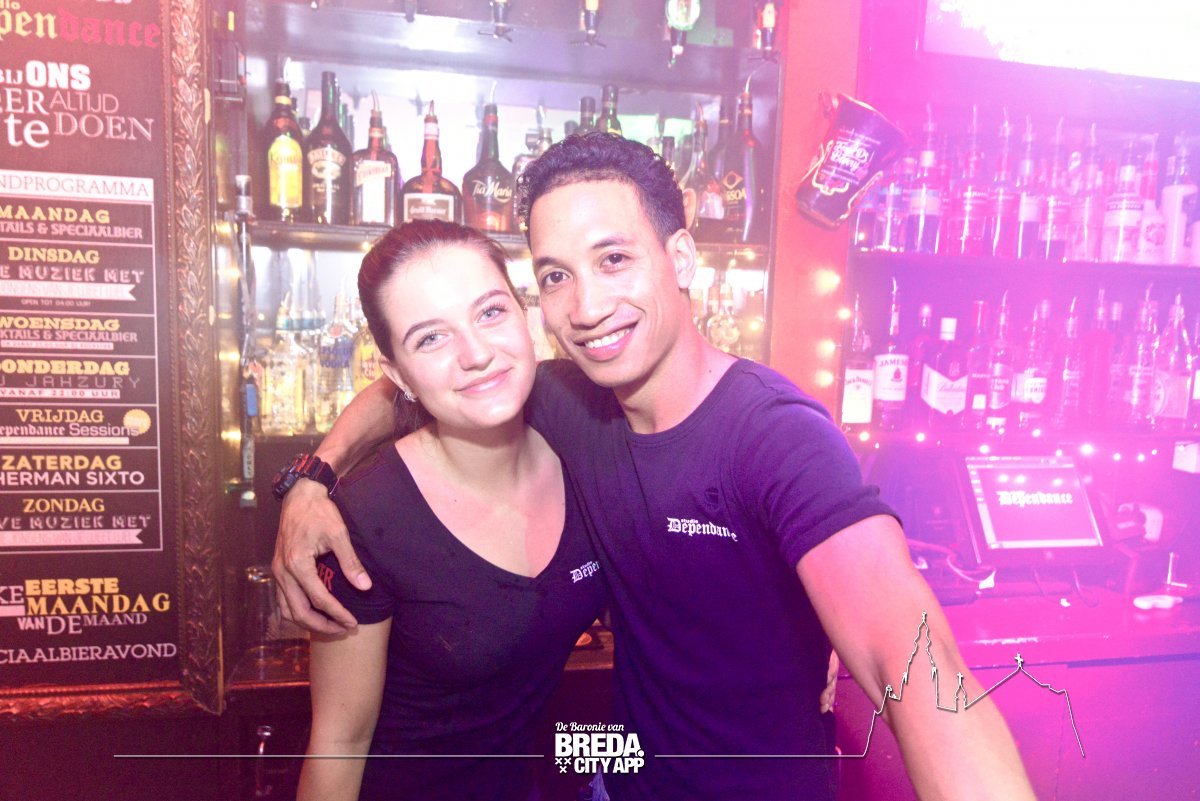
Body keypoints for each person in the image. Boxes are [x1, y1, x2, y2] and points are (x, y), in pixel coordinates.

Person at [276, 133, 1036, 800]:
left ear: (681, 259)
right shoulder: (563, 400)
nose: (586, 306)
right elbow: (420, 385)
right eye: (556, 275)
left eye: (614, 259)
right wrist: (313, 479)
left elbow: (913, 662)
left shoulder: (775, 436)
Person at [295, 220, 606, 801]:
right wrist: (310, 481)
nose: (477, 354)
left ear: (525, 315)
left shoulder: (580, 427)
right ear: (397, 375)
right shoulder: (366, 519)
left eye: (490, 312)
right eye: (430, 339)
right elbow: (340, 742)